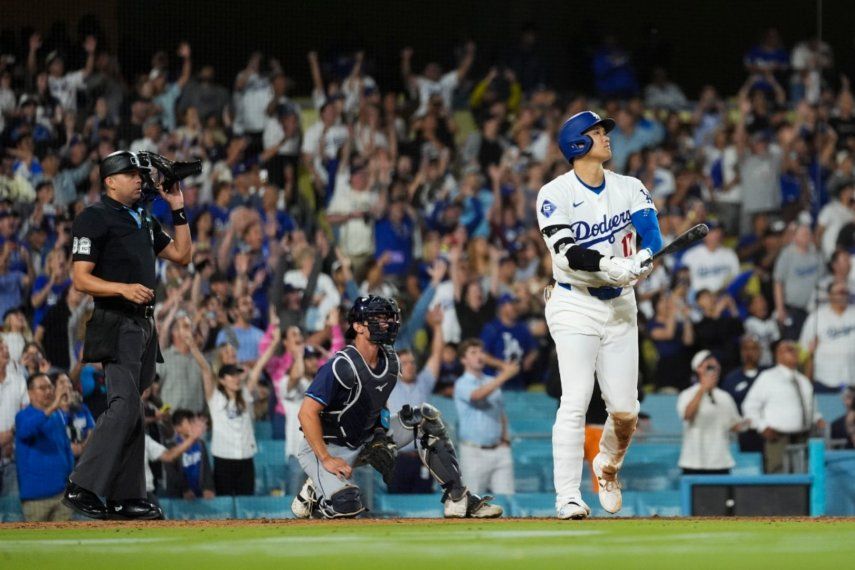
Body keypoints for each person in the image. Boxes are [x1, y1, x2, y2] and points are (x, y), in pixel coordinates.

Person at [536, 111, 663, 519]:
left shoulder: (629, 186)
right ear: (577, 144)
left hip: (621, 304)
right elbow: (567, 252)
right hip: (574, 301)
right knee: (574, 400)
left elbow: (653, 235)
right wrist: (611, 264)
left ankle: (607, 466)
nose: (606, 136)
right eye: (596, 132)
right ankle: (568, 497)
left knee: (626, 411)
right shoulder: (553, 193)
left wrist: (642, 259)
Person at [63, 150, 192, 520]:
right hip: (116, 319)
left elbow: (183, 255)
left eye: (140, 174)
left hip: (144, 324)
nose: (140, 179)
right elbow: (80, 277)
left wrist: (178, 207)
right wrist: (123, 288)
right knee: (123, 406)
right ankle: (82, 485)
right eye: (131, 173)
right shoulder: (94, 216)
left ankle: (126, 497)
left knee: (133, 408)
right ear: (110, 180)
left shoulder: (144, 219)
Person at [291, 295, 502, 519]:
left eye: (388, 318)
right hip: (326, 446)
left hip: (362, 438)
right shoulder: (341, 365)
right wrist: (325, 458)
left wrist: (380, 432)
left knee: (424, 418)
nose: (386, 323)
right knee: (347, 505)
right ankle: (316, 495)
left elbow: (377, 403)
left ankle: (458, 497)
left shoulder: (391, 361)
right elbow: (306, 413)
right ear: (358, 326)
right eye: (378, 318)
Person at [742, 340, 826, 473]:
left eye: (796, 350)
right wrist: (761, 426)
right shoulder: (768, 377)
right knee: (779, 474)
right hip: (778, 437)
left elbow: (811, 406)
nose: (795, 353)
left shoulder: (803, 380)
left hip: (803, 436)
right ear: (779, 355)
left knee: (803, 472)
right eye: (790, 350)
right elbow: (750, 405)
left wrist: (817, 418)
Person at [386, 305, 443, 493]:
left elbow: (436, 356)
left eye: (412, 362)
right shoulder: (389, 385)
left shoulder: (424, 382)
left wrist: (437, 326)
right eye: (405, 363)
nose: (410, 366)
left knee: (424, 503)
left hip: (423, 456)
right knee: (397, 503)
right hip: (398, 457)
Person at [453, 339, 517, 496]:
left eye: (481, 352)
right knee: (473, 501)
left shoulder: (490, 381)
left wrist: (505, 439)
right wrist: (503, 376)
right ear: (463, 360)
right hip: (473, 451)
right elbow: (477, 395)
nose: (479, 356)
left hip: (499, 449)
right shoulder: (461, 383)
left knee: (508, 499)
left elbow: (500, 411)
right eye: (473, 353)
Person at [15, 373, 73, 521]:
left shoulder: (57, 415)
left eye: (50, 387)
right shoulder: (23, 416)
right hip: (36, 500)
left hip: (62, 495)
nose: (48, 391)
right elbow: (25, 431)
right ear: (30, 393)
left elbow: (66, 448)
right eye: (42, 388)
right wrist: (53, 407)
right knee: (35, 544)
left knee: (65, 543)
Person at [677, 351, 744, 475]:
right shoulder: (687, 394)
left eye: (715, 367)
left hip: (720, 462)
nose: (713, 371)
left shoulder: (725, 397)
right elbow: (688, 415)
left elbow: (735, 425)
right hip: (694, 462)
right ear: (698, 369)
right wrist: (703, 389)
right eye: (708, 367)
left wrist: (749, 423)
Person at [801, 282, 855, 392]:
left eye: (845, 292)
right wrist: (807, 383)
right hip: (825, 378)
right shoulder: (816, 317)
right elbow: (807, 350)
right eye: (839, 292)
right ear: (830, 295)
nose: (842, 295)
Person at [163, 409, 216, 499]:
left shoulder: (200, 444)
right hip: (179, 497)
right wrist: (185, 490)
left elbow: (206, 468)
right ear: (177, 427)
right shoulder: (171, 448)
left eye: (193, 421)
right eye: (189, 422)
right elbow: (172, 473)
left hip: (200, 494)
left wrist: (208, 488)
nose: (193, 425)